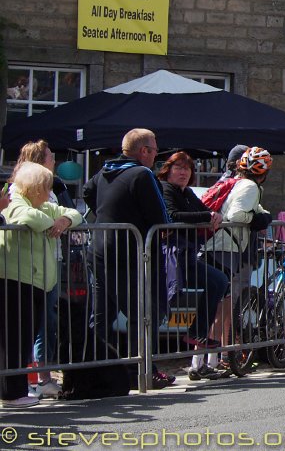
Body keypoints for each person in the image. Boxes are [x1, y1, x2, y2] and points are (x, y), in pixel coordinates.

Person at [83, 128, 175, 389]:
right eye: (155, 149)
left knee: (101, 316)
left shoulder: (105, 171)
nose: (157, 154)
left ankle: (91, 370)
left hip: (100, 250)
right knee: (142, 314)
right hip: (129, 253)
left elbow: (88, 193)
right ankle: (144, 370)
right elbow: (162, 218)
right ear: (144, 151)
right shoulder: (142, 174)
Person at [0, 162, 81, 408]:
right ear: (35, 187)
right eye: (45, 187)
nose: (49, 192)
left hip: (36, 282)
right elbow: (27, 217)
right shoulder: (17, 202)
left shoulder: (42, 205)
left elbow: (74, 213)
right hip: (16, 280)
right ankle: (11, 393)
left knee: (23, 339)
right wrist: (53, 223)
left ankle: (15, 390)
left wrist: (65, 220)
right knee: (13, 339)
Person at [156, 152, 230, 380]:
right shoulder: (165, 189)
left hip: (186, 255)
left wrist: (213, 215)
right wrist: (207, 215)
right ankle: (144, 364)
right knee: (162, 303)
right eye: (178, 168)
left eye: (187, 169)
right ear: (168, 170)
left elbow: (203, 209)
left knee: (218, 281)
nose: (183, 172)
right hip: (168, 256)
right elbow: (173, 214)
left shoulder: (186, 192)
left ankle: (197, 333)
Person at [203, 146, 272, 371]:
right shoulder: (250, 186)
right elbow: (236, 215)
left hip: (223, 246)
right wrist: (258, 219)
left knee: (219, 307)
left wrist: (262, 214)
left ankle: (207, 361)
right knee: (219, 307)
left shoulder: (240, 184)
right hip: (226, 247)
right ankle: (207, 362)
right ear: (263, 173)